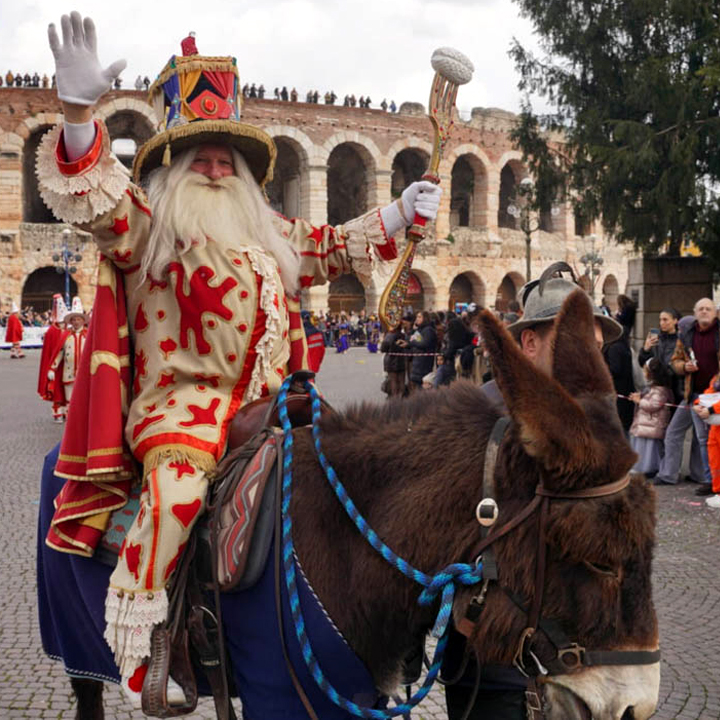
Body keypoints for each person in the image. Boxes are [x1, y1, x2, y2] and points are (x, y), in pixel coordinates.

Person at [40, 11, 442, 703]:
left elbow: (331, 245)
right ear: (175, 168)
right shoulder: (150, 228)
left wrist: (401, 212)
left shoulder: (268, 232)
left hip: (274, 408)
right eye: (202, 158)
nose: (217, 167)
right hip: (182, 412)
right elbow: (98, 202)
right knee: (176, 494)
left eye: (228, 159)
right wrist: (79, 118)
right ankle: (146, 648)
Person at [444, 263, 623, 720]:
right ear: (529, 343)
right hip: (495, 665)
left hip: (577, 662)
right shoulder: (480, 415)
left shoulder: (592, 422)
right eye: (575, 344)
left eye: (595, 348)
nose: (590, 360)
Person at [654, 297, 717, 492]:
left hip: (714, 396)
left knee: (704, 439)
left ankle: (706, 478)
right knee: (674, 432)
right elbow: (675, 361)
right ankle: (670, 474)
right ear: (695, 313)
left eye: (708, 309)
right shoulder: (688, 334)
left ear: (715, 313)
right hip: (691, 394)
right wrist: (684, 367)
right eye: (701, 309)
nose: (704, 312)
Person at [628, 357, 674, 476]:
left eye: (645, 371)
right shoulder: (652, 389)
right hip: (647, 424)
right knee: (643, 447)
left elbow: (653, 405)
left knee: (649, 449)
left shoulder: (660, 390)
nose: (644, 374)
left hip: (652, 424)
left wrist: (639, 401)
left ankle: (649, 468)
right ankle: (643, 467)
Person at [48, 297, 87, 407]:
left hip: (84, 372)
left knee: (83, 397)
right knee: (69, 398)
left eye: (78, 319)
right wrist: (52, 368)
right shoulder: (66, 335)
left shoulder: (88, 335)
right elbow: (60, 352)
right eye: (74, 320)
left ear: (83, 321)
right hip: (68, 372)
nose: (76, 322)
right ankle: (69, 416)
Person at [37, 294, 70, 422]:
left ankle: (67, 412)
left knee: (67, 389)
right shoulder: (52, 331)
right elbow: (48, 352)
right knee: (57, 389)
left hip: (68, 365)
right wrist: (50, 367)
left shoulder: (69, 331)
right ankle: (58, 412)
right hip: (56, 366)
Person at [638, 308, 681, 402]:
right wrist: (646, 349)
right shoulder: (658, 339)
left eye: (665, 320)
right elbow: (642, 362)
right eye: (660, 320)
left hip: (675, 387)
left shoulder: (680, 340)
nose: (662, 323)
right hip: (657, 387)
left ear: (675, 321)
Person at [693, 375, 720, 508]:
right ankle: (718, 491)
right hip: (716, 427)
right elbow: (709, 394)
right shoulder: (716, 379)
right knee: (715, 460)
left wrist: (710, 409)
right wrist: (698, 404)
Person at [403, 310, 437, 392]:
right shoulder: (420, 330)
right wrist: (413, 330)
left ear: (425, 318)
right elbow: (411, 339)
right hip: (418, 361)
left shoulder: (428, 330)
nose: (417, 319)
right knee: (417, 386)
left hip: (424, 362)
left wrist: (412, 342)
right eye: (417, 317)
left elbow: (424, 343)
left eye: (419, 317)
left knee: (423, 387)